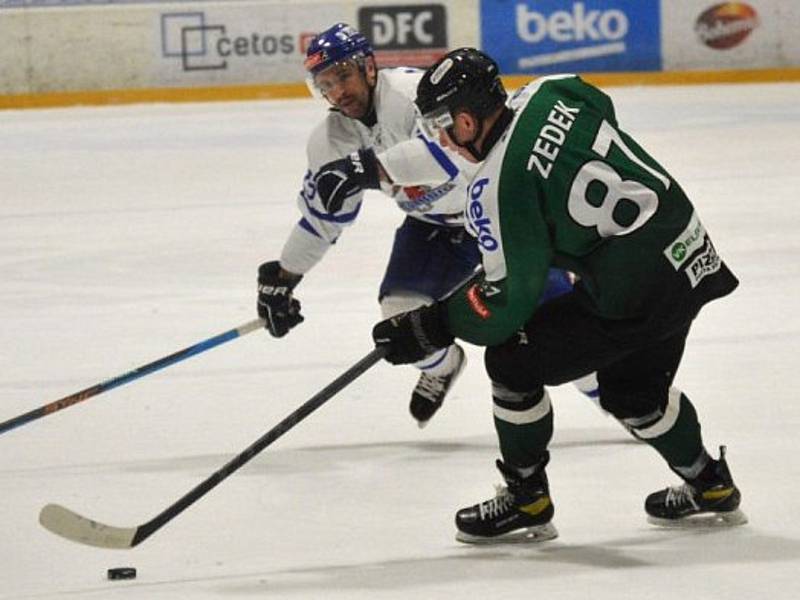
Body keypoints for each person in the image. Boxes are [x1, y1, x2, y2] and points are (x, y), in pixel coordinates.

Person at [371, 47, 746, 543]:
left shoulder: (495, 189)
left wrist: (432, 325)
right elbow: (599, 109)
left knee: (511, 363)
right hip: (688, 250)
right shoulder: (554, 88)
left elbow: (505, 306)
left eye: (443, 124)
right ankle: (711, 486)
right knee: (633, 392)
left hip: (634, 291)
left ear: (466, 119)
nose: (443, 138)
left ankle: (527, 498)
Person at [256, 24, 579, 427]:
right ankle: (443, 366)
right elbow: (323, 218)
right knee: (399, 314)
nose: (337, 91)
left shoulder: (415, 95)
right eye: (326, 84)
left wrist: (370, 168)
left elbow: (452, 158)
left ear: (368, 67)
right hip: (434, 229)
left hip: (499, 215)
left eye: (343, 76)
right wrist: (284, 277)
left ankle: (635, 404)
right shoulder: (330, 140)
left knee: (567, 333)